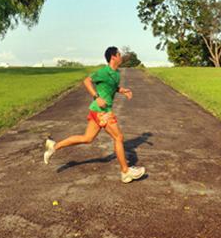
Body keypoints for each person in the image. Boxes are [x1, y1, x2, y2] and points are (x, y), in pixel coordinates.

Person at [43, 46, 145, 183]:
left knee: (87, 138)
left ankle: (54, 147)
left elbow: (112, 87)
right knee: (119, 137)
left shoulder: (116, 73)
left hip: (98, 111)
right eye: (119, 54)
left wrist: (122, 90)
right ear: (113, 57)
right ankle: (125, 172)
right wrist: (96, 97)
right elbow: (86, 81)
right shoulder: (103, 71)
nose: (121, 56)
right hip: (101, 111)